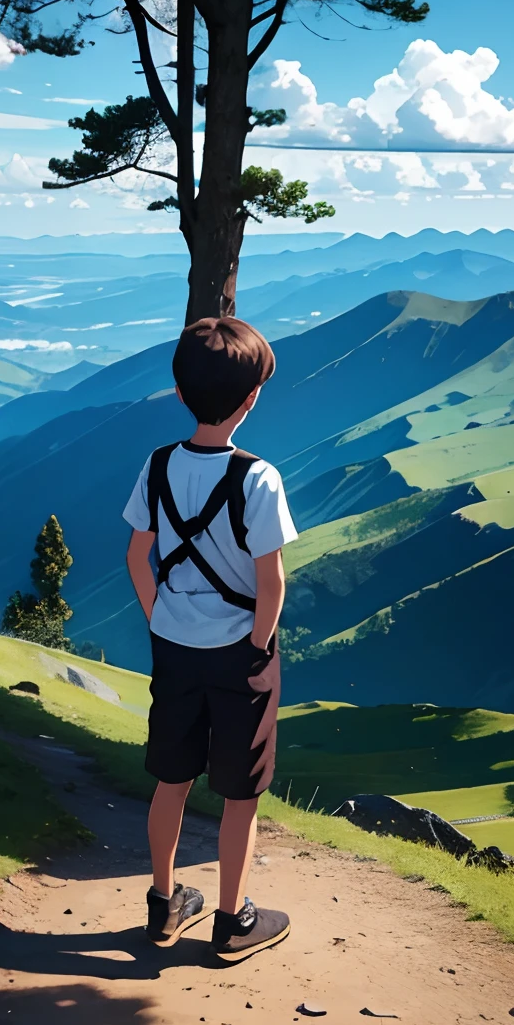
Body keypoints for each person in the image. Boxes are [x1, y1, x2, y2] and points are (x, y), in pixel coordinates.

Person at [124, 315, 296, 964]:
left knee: (171, 780)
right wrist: (256, 644)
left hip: (173, 645)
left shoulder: (159, 464)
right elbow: (270, 582)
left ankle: (164, 906)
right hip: (238, 654)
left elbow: (138, 557)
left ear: (178, 390)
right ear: (251, 398)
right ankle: (232, 920)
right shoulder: (258, 479)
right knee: (239, 793)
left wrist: (160, 617)